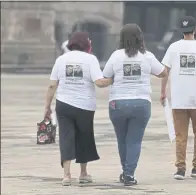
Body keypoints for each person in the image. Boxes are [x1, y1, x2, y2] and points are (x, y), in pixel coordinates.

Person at [44, 31, 112, 186]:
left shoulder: (61, 60)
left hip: (63, 104)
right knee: (84, 137)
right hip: (84, 106)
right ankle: (83, 173)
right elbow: (99, 82)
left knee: (66, 138)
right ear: (85, 43)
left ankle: (66, 176)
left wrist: (47, 107)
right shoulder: (90, 59)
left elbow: (52, 85)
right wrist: (113, 79)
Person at [103, 23, 168, 186]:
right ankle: (129, 174)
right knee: (134, 141)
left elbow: (106, 76)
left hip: (117, 103)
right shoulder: (147, 56)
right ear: (140, 38)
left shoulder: (116, 56)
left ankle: (125, 170)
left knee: (122, 140)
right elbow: (163, 73)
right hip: (141, 103)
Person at [160, 16, 196, 180]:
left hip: (178, 98)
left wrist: (163, 92)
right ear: (195, 29)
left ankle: (180, 169)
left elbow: (164, 71)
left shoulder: (173, 48)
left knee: (180, 134)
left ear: (180, 31)